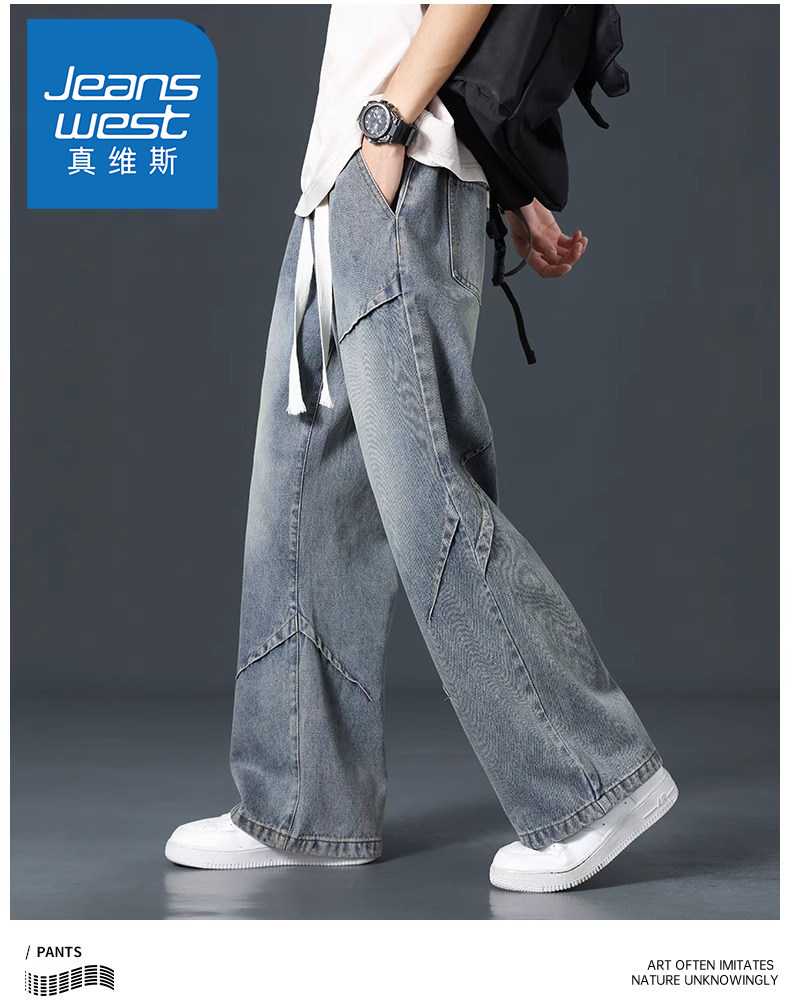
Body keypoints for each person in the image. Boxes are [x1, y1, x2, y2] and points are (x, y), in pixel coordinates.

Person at [165, 3, 677, 893]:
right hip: (344, 187)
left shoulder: (390, 136)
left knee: (426, 492)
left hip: (392, 168)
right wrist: (511, 196)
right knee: (304, 496)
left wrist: (389, 120)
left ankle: (591, 781)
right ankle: (304, 803)